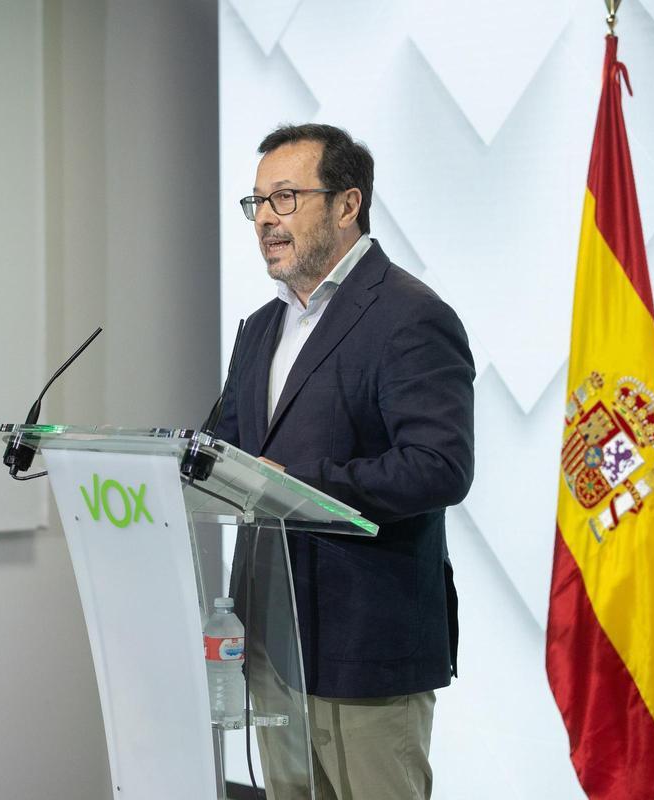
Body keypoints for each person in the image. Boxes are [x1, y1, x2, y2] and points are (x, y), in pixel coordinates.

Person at [213, 123, 476, 799]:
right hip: (273, 644)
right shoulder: (261, 328)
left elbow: (438, 466)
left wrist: (297, 488)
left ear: (346, 204)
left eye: (285, 197)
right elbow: (222, 452)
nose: (266, 219)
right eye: (257, 203)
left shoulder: (410, 317)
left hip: (366, 652)